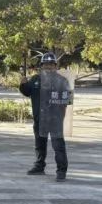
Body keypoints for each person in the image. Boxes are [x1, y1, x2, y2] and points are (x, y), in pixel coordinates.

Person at [19, 52, 69, 181]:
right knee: (39, 144)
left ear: (55, 66)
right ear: (41, 66)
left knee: (58, 145)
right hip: (40, 118)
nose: (48, 67)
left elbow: (67, 99)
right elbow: (27, 92)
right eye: (45, 64)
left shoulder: (62, 81)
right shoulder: (35, 79)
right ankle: (39, 166)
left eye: (51, 64)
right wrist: (23, 85)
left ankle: (61, 171)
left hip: (55, 119)